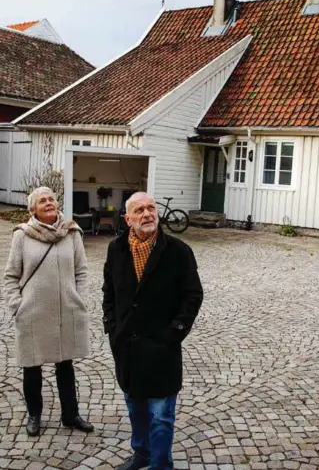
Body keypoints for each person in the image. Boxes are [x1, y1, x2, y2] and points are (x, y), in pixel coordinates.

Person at [102, 192, 203, 470]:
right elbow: (108, 291)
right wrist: (111, 325)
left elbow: (192, 296)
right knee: (136, 410)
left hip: (161, 348)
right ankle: (141, 454)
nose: (147, 214)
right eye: (139, 210)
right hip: (127, 347)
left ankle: (160, 464)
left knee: (161, 416)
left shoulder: (178, 251)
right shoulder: (116, 248)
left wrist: (173, 334)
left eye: (150, 208)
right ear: (128, 218)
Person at [3, 187, 95, 436]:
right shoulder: (22, 235)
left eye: (51, 199)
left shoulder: (71, 232)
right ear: (32, 209)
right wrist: (17, 306)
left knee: (65, 364)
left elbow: (81, 271)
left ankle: (71, 415)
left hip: (66, 310)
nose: (48, 203)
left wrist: (81, 300)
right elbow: (11, 275)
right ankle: (34, 414)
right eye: (42, 201)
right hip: (33, 311)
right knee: (32, 365)